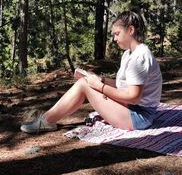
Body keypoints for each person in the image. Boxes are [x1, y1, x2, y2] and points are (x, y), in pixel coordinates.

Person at [21, 10, 162, 133]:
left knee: (83, 85)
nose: (114, 39)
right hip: (133, 109)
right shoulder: (129, 54)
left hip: (139, 117)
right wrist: (101, 80)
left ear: (131, 30)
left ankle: (46, 121)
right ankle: (47, 119)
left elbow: (133, 97)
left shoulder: (140, 57)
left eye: (117, 34)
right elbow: (123, 85)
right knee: (85, 82)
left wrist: (100, 87)